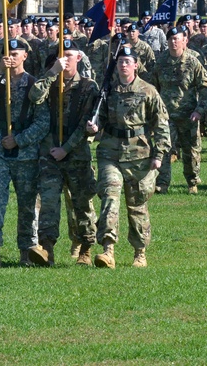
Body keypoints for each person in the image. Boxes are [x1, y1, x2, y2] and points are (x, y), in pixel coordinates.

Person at [85, 45, 170, 268]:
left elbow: (161, 123)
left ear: (135, 65)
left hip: (139, 155)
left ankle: (139, 252)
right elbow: (99, 117)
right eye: (120, 61)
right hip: (110, 152)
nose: (123, 65)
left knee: (137, 204)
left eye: (127, 61)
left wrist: (159, 154)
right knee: (110, 196)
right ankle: (108, 249)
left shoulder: (148, 90)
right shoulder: (109, 90)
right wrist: (93, 127)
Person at [0, 39, 49, 267]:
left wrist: (19, 140)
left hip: (25, 152)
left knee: (27, 203)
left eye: (16, 53)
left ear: (25, 56)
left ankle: (26, 251)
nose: (11, 57)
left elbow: (43, 122)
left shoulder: (34, 85)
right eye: (7, 53)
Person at [26, 39, 99, 267]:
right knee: (48, 202)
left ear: (79, 58)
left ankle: (85, 248)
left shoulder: (88, 87)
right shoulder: (50, 83)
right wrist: (52, 72)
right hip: (49, 153)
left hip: (76, 153)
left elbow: (84, 125)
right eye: (61, 55)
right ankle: (47, 248)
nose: (65, 59)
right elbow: (34, 96)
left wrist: (65, 149)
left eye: (69, 55)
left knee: (82, 203)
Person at [152, 26, 207, 195]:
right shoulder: (161, 61)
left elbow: (205, 88)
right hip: (166, 115)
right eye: (170, 39)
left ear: (184, 41)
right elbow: (153, 88)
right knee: (163, 149)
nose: (173, 42)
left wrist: (199, 110)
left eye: (176, 39)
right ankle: (162, 182)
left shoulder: (193, 62)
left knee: (191, 151)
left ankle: (192, 182)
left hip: (188, 115)